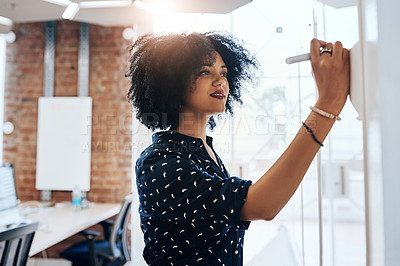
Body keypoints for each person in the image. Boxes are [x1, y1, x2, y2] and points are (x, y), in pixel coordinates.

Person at [126, 32, 349, 265]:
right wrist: (328, 104)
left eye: (223, 72)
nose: (220, 80)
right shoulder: (161, 162)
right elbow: (261, 205)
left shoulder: (202, 150)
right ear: (172, 81)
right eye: (205, 72)